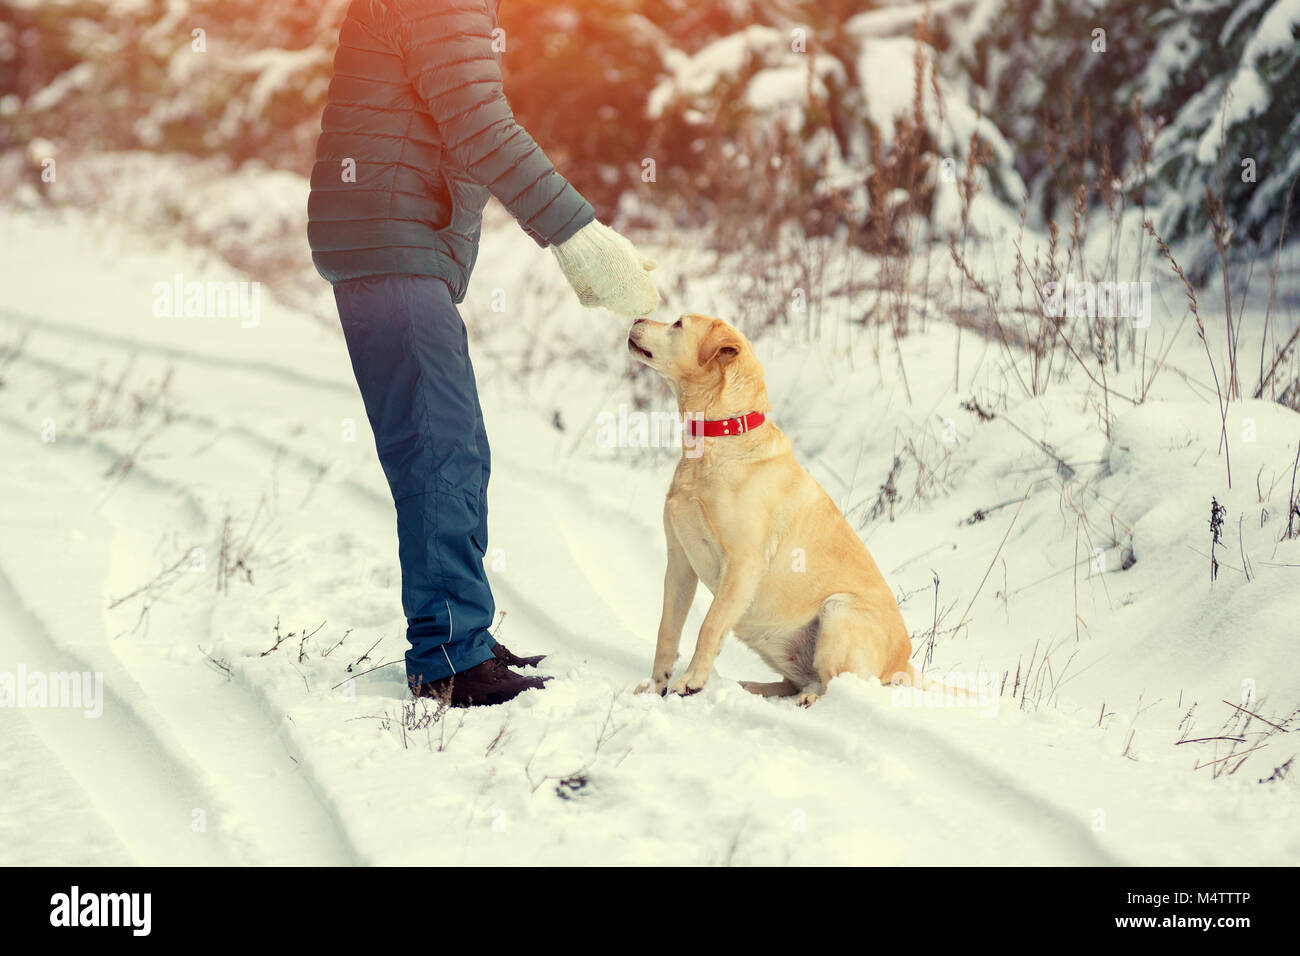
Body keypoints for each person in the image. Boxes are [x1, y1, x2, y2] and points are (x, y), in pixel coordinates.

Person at [307, 0, 659, 706]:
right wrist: (577, 235)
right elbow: (478, 126)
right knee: (439, 447)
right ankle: (447, 658)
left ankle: (460, 632)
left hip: (391, 236)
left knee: (454, 442)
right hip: (389, 238)